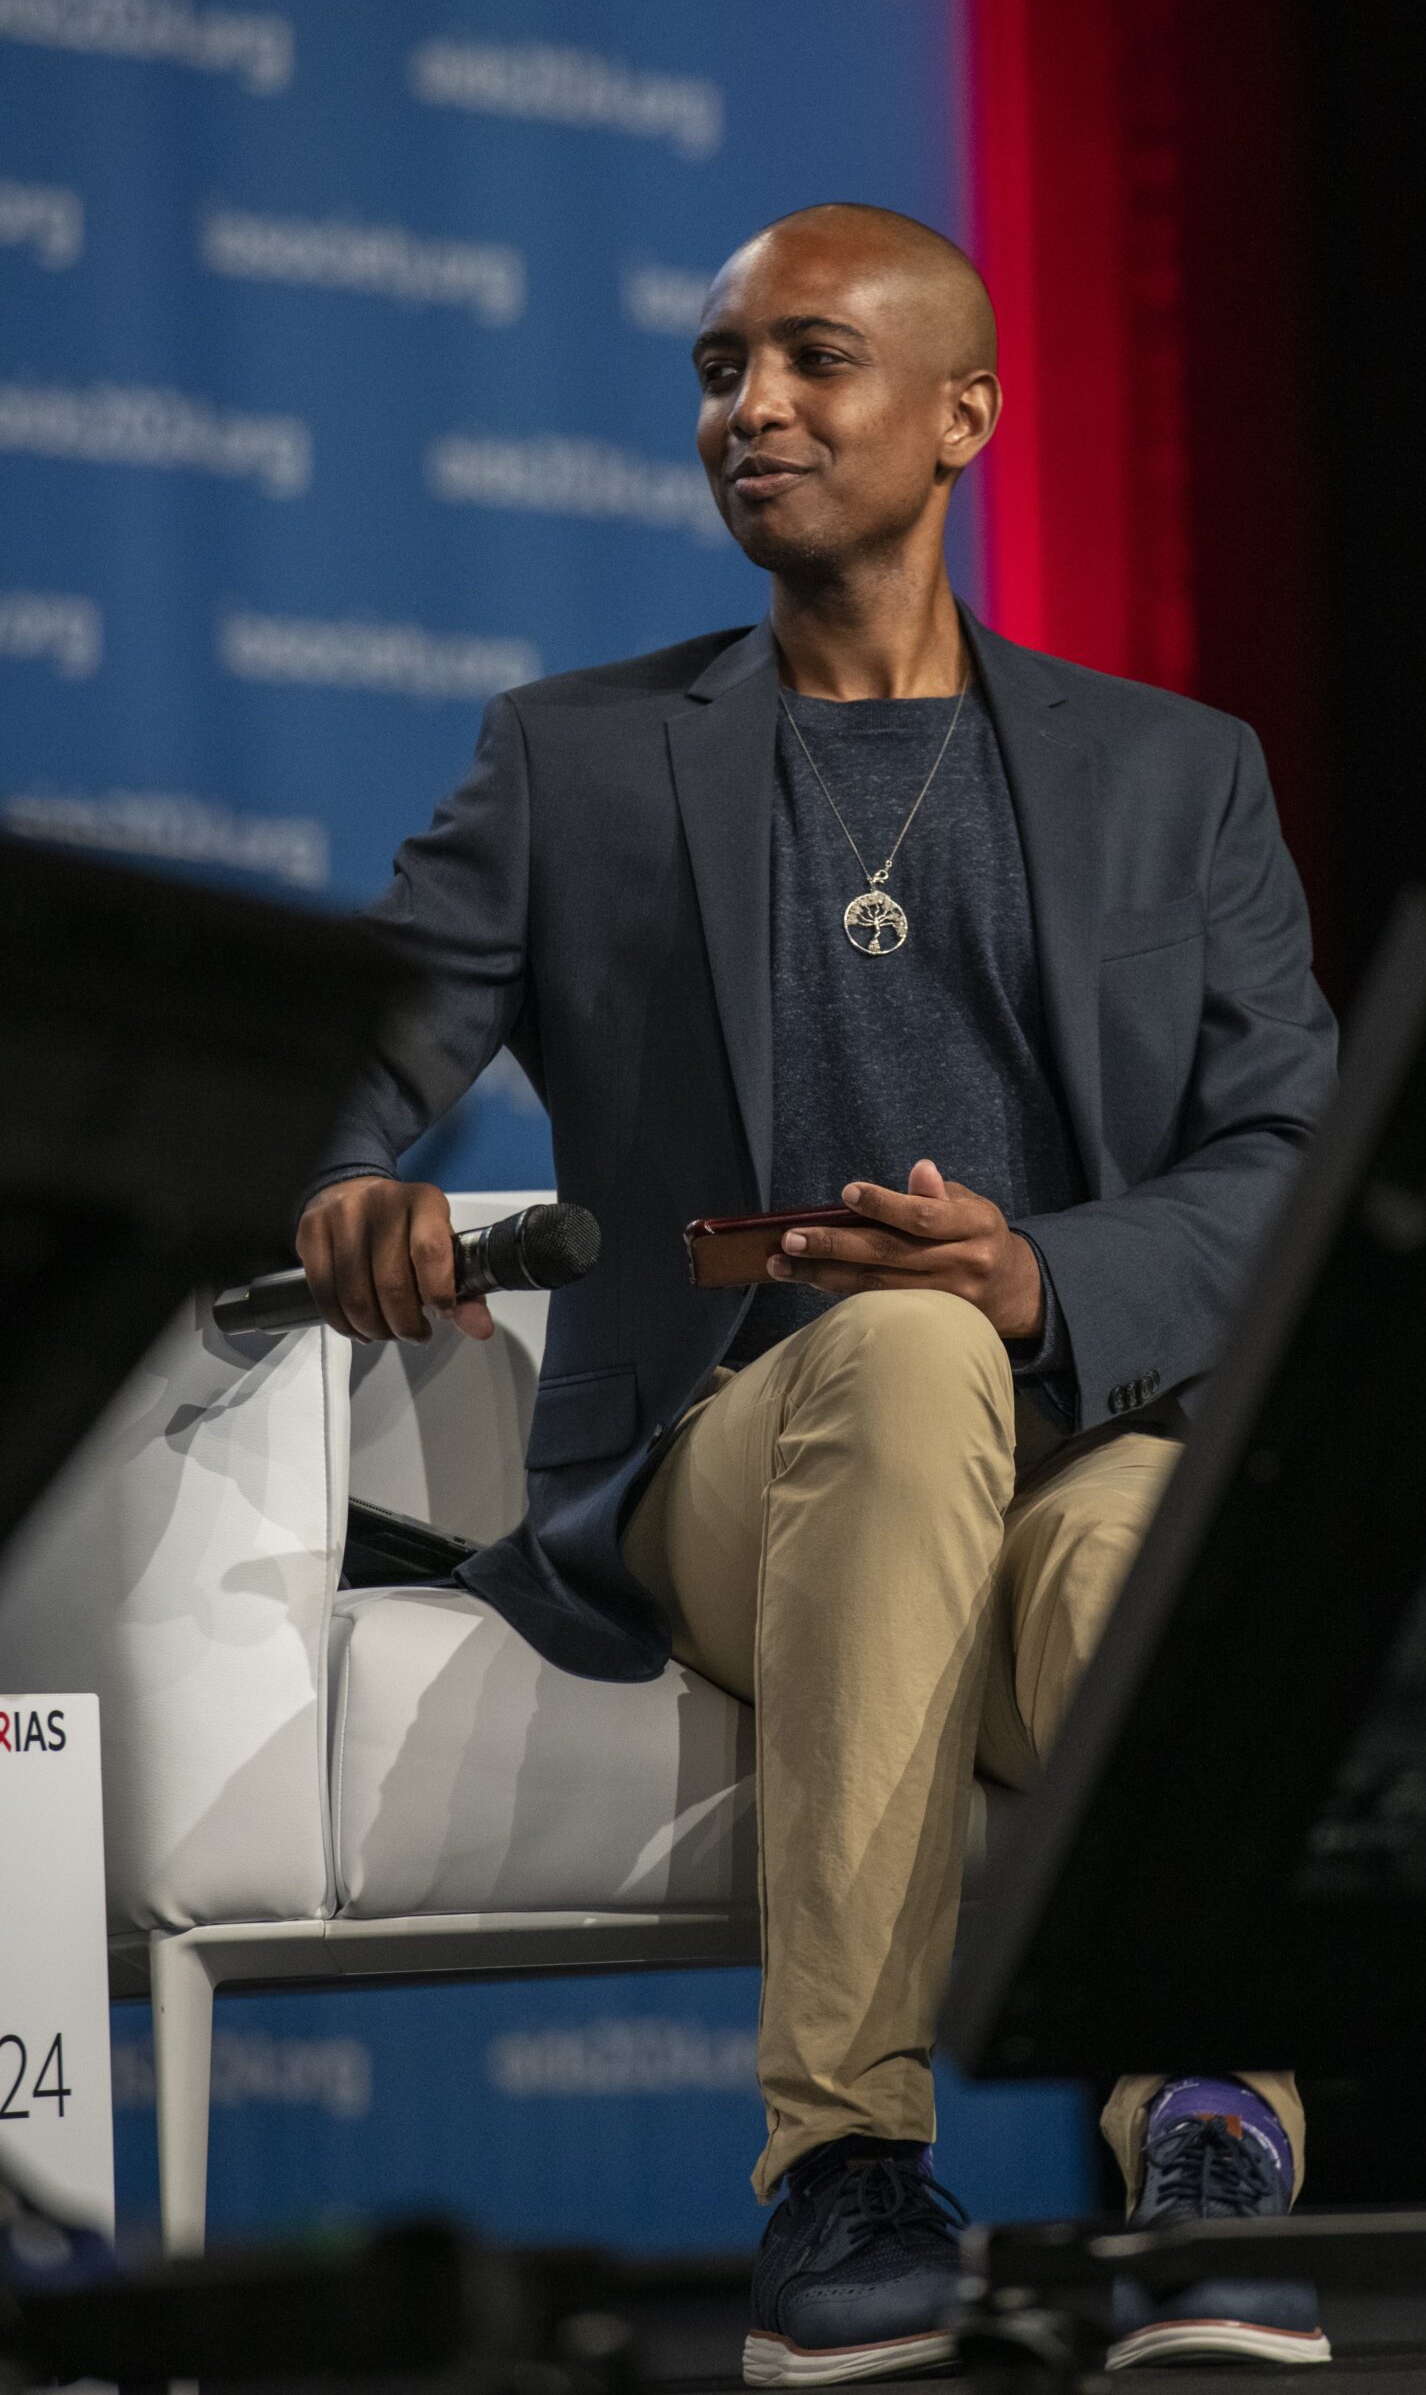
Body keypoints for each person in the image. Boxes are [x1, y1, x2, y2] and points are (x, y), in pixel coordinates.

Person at [296, 204, 1338, 2378]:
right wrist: (347, 1179)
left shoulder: (1175, 773)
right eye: (713, 370)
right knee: (893, 1345)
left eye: (806, 361)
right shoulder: (571, 755)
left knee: (1141, 1547)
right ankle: (844, 2157)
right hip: (715, 1453)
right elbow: (352, 1054)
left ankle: (1210, 2135)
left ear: (959, 413)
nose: (743, 408)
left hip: (1067, 1429)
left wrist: (1046, 1264)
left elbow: (1286, 1166)